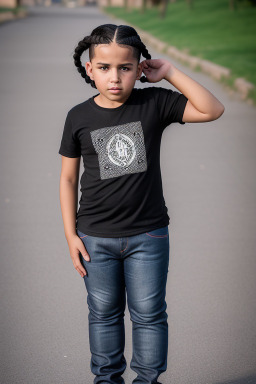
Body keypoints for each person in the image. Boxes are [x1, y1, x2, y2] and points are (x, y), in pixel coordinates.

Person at [58, 23, 224, 384]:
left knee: (149, 314)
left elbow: (212, 109)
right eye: (104, 68)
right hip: (94, 239)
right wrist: (71, 235)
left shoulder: (154, 103)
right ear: (90, 69)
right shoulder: (78, 117)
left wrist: (171, 73)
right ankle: (107, 379)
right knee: (103, 313)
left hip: (148, 237)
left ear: (139, 68)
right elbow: (68, 179)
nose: (114, 77)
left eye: (125, 67)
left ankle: (147, 381)